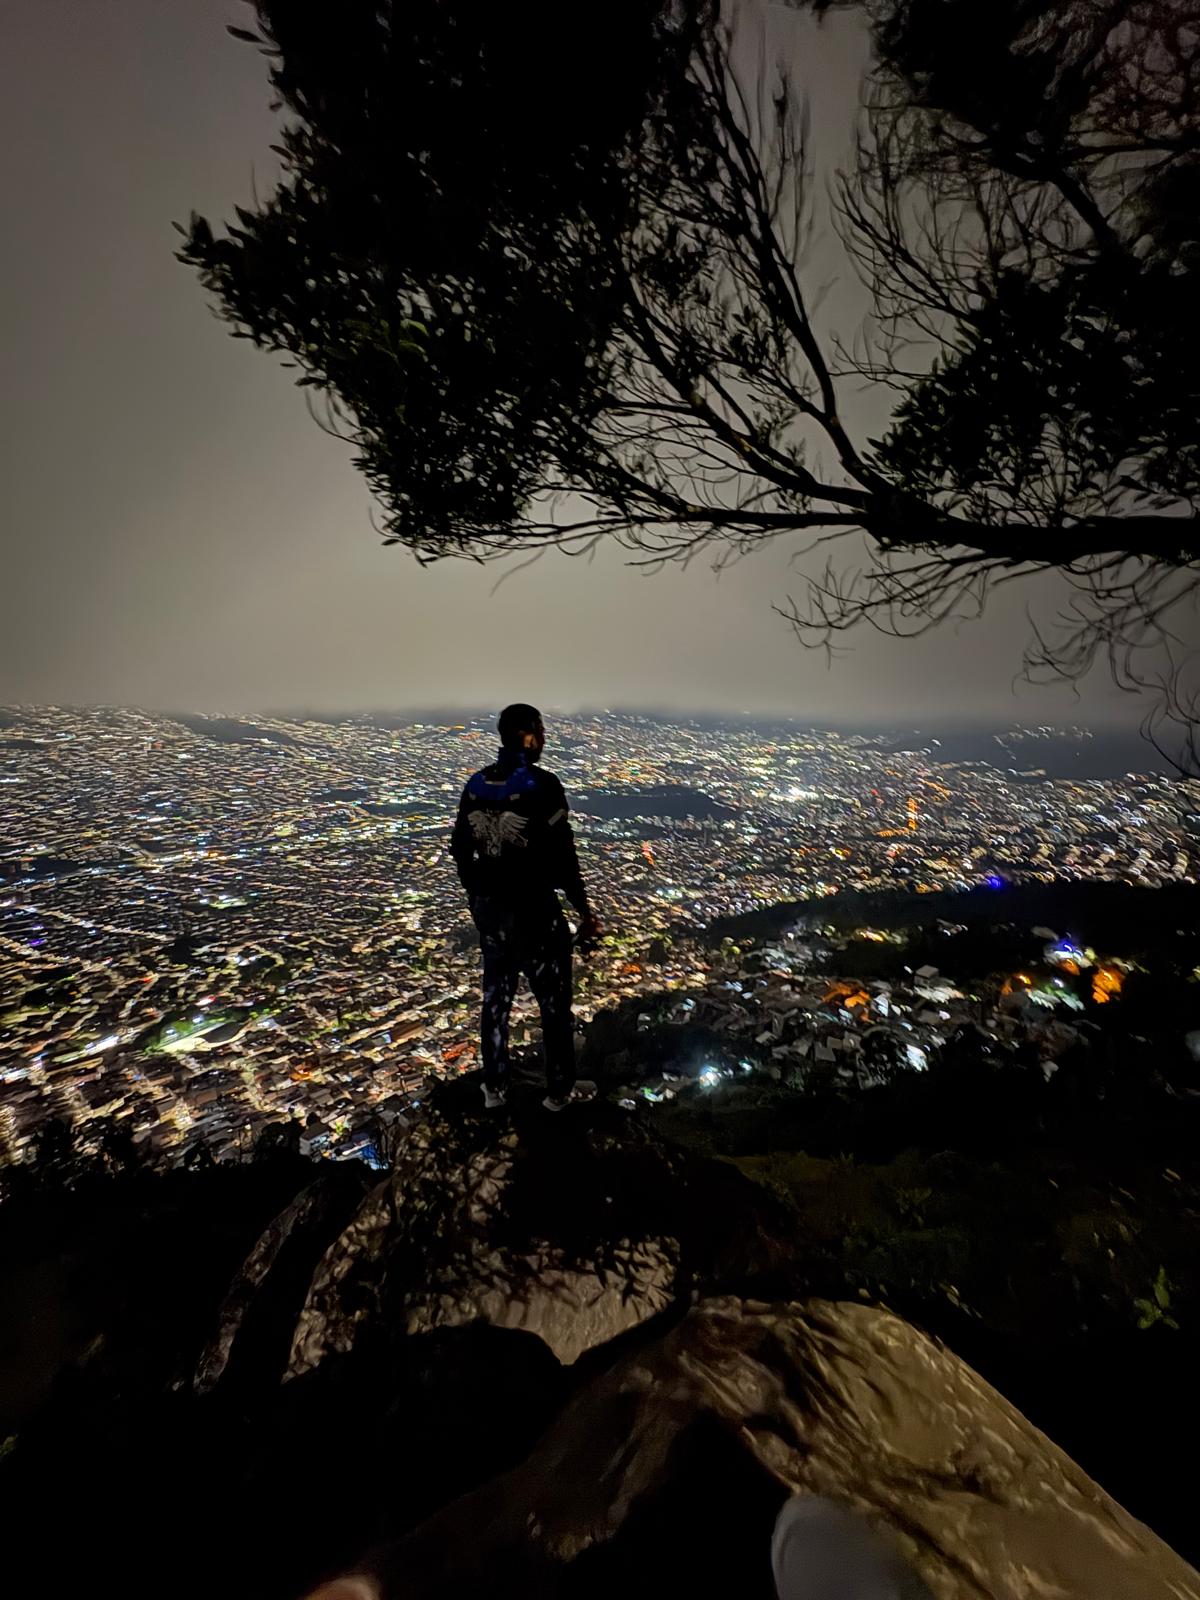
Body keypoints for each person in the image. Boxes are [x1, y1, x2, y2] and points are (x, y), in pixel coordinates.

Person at [450, 704, 601, 1111]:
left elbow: (460, 848)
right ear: (529, 736)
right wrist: (584, 910)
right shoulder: (543, 785)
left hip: (492, 912)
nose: (545, 738)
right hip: (534, 912)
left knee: (495, 999)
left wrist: (476, 896)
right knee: (554, 1005)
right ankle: (559, 1091)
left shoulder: (476, 784)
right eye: (541, 731)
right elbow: (563, 856)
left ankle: (494, 1088)